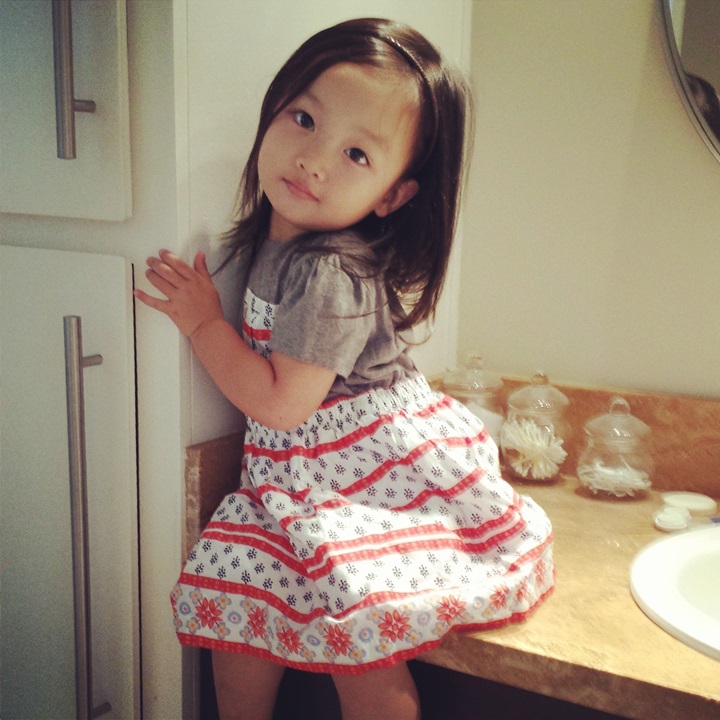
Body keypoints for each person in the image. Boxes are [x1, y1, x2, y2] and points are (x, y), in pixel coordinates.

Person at [135, 17, 554, 720]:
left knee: (360, 631)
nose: (313, 160)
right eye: (304, 119)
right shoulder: (278, 240)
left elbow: (281, 404)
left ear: (392, 195)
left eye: (357, 154)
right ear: (273, 109)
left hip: (362, 477)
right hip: (295, 472)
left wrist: (204, 323)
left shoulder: (331, 272)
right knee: (238, 619)